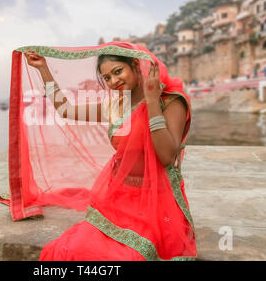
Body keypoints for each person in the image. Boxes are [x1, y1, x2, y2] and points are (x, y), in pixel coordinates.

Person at [18, 42, 196, 261]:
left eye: (118, 71)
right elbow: (65, 109)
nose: (114, 82)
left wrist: (151, 102)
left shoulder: (170, 101)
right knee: (71, 250)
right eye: (107, 78)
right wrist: (43, 69)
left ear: (134, 65)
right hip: (118, 198)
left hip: (156, 202)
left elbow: (167, 157)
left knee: (130, 257)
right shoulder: (116, 106)